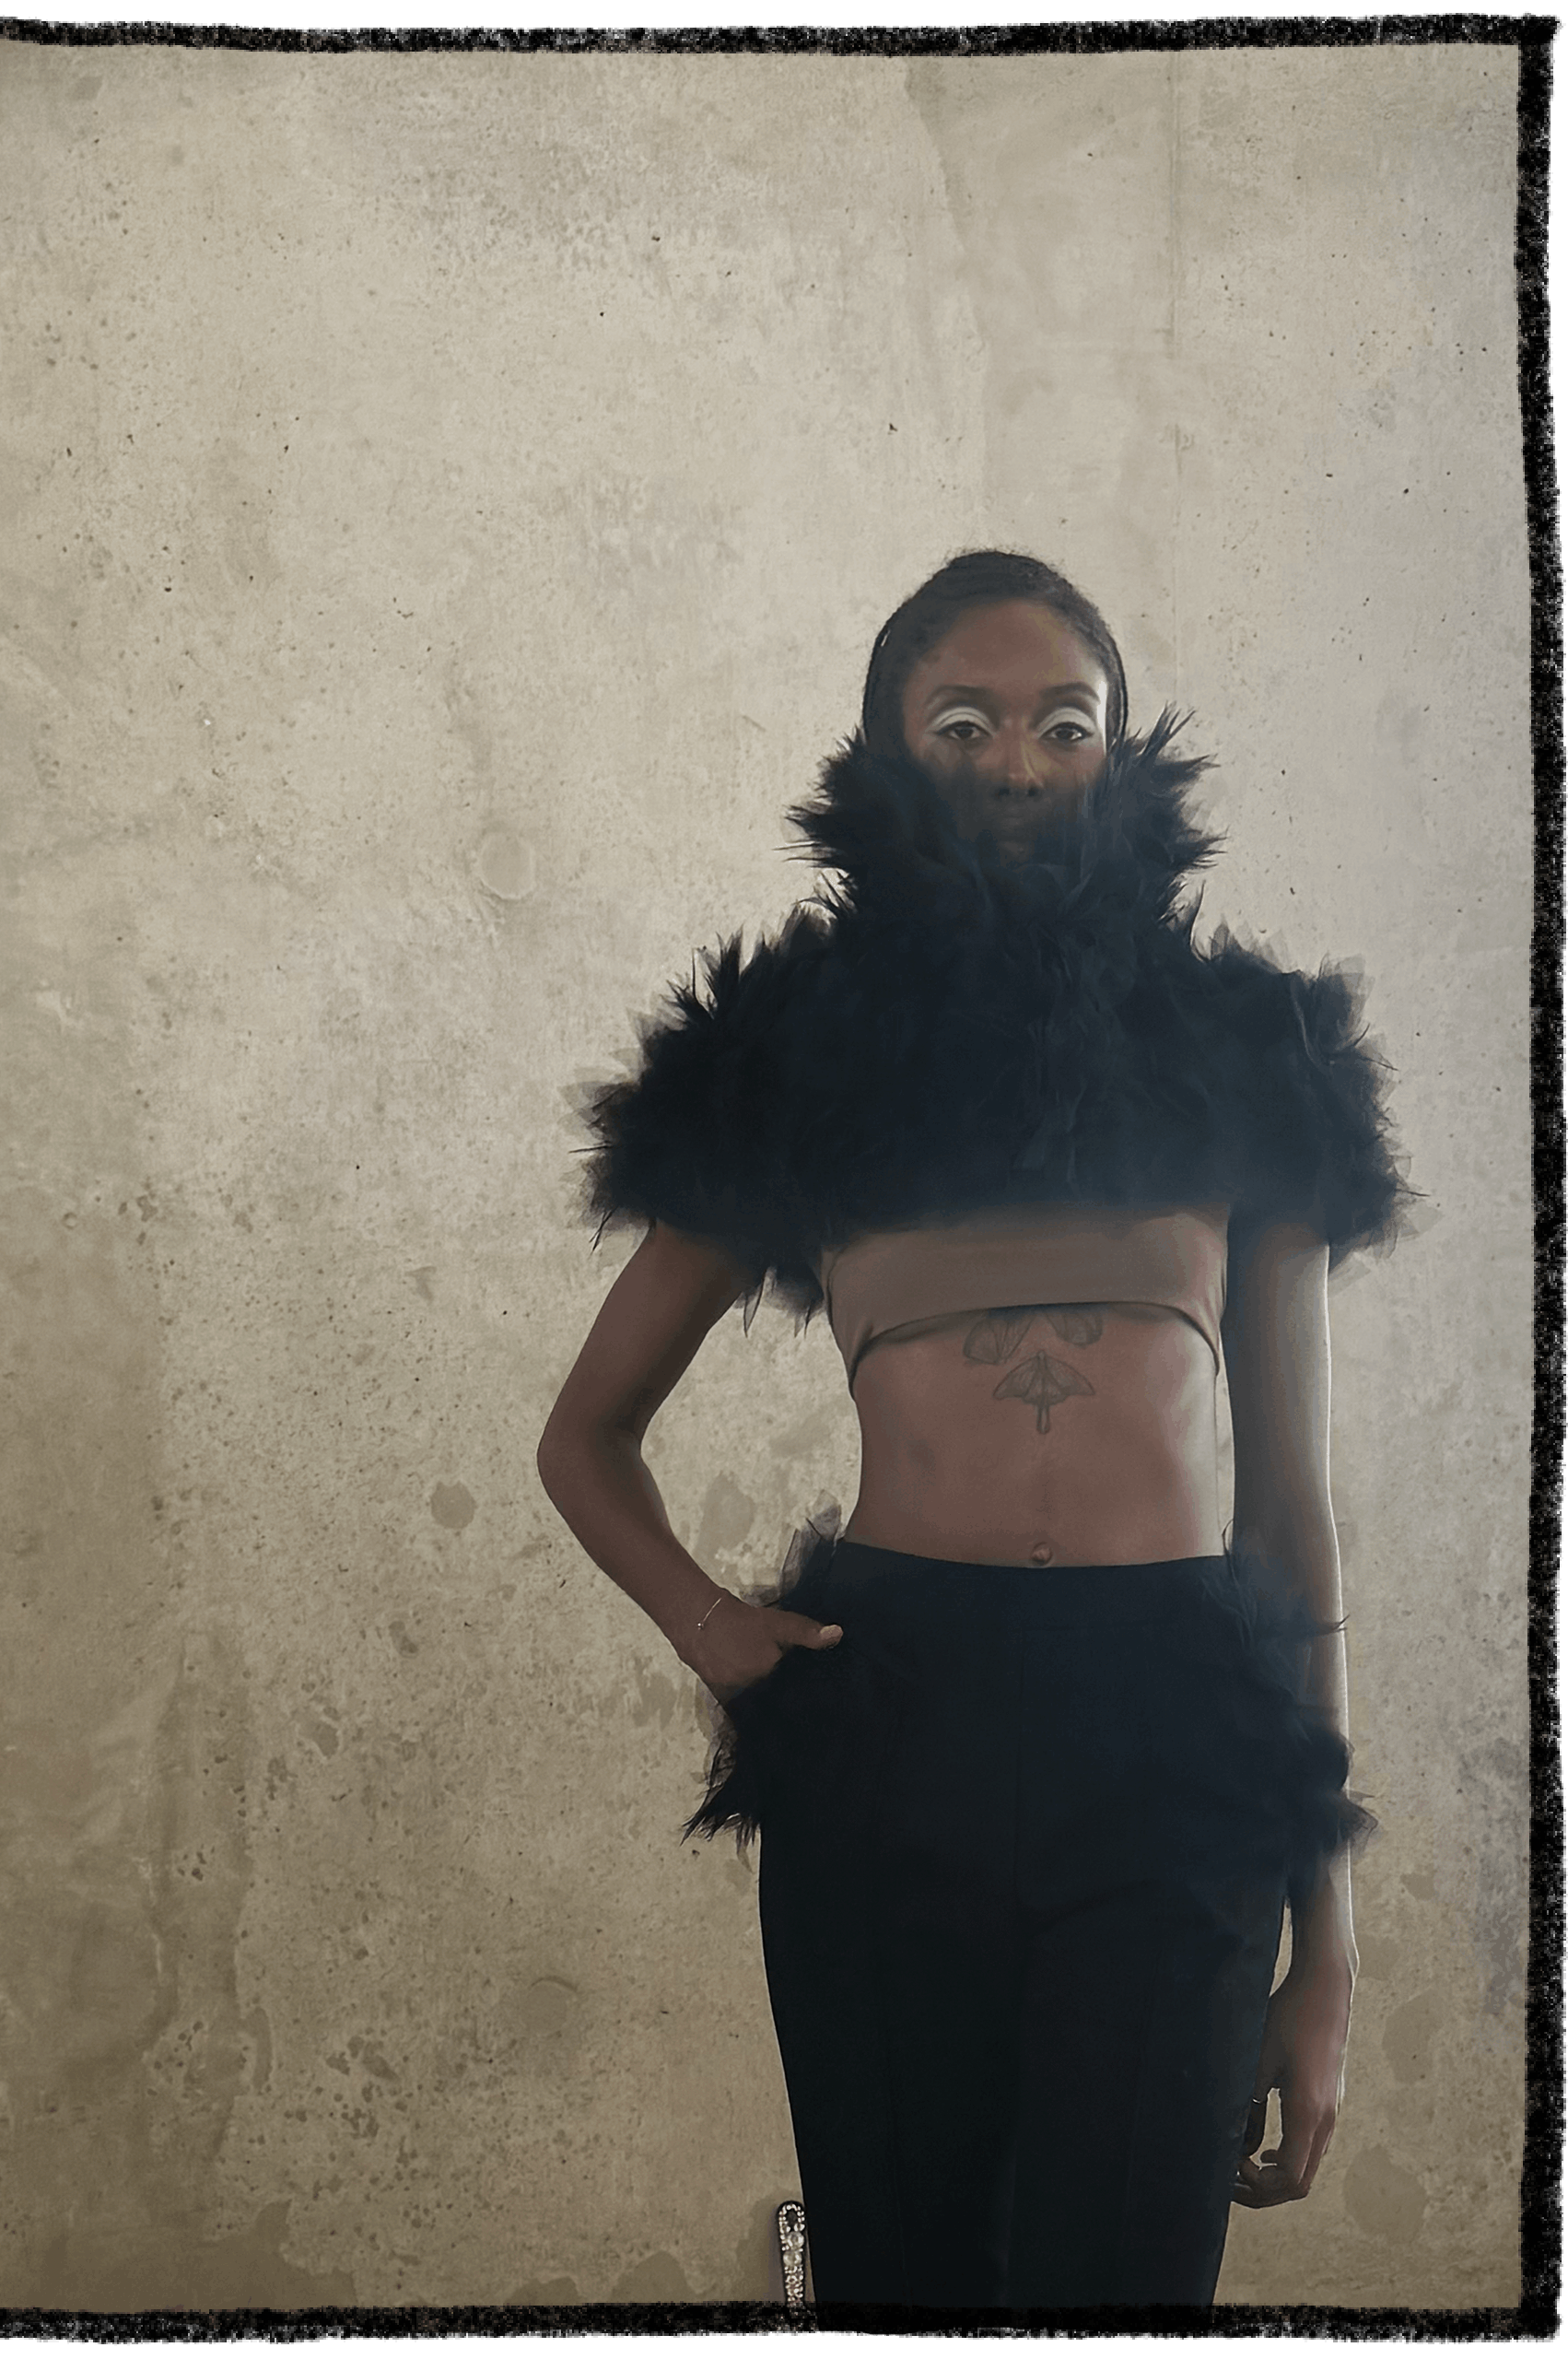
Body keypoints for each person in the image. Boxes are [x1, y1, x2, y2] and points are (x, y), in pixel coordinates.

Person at [535, 550, 1410, 2313]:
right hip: (893, 1725)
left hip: (1175, 1731)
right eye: (966, 724)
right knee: (905, 2276)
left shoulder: (1251, 1057)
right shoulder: (787, 1063)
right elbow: (586, 1436)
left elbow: (1291, 1528)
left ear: (1120, 754)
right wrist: (710, 1628)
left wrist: (1327, 1959)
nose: (1018, 763)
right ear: (891, 750)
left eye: (1063, 725)